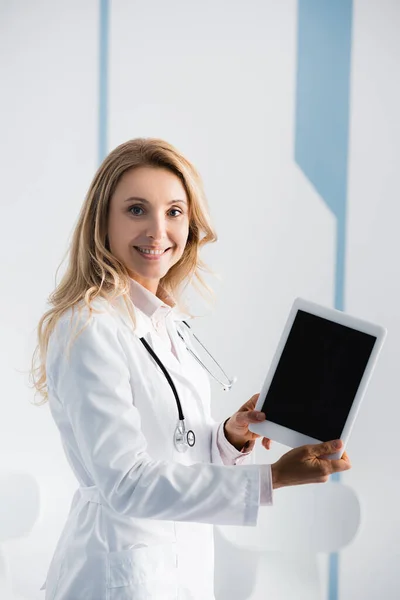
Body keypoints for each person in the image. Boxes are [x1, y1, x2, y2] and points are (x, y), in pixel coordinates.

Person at [31, 138, 351, 600]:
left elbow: (173, 444)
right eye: (137, 210)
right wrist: (272, 477)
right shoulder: (88, 327)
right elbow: (124, 482)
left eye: (174, 212)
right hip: (118, 576)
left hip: (181, 565)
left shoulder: (165, 320)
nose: (158, 231)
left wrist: (228, 436)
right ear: (103, 220)